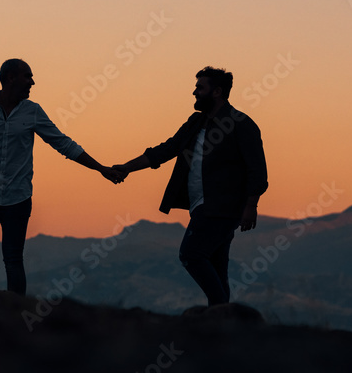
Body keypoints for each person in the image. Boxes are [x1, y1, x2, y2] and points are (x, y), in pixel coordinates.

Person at [0, 58, 123, 295]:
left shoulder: (33, 112)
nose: (32, 82)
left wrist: (100, 168)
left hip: (17, 200)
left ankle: (15, 316)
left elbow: (62, 143)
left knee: (12, 260)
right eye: (27, 76)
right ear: (10, 78)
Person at [113, 66, 267, 306]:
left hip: (221, 208)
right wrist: (127, 167)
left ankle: (221, 312)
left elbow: (257, 170)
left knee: (191, 254)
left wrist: (251, 206)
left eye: (199, 88)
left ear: (216, 92)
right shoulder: (196, 121)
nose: (194, 92)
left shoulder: (241, 124)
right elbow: (168, 149)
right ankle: (223, 322)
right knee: (216, 266)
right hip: (200, 206)